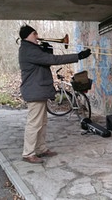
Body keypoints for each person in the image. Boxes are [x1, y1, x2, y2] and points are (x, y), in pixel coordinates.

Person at [18, 24, 91, 163]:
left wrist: (47, 50)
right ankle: (28, 153)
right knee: (34, 123)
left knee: (42, 122)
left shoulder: (32, 49)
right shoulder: (29, 50)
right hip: (35, 90)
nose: (37, 36)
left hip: (38, 90)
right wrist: (78, 56)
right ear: (28, 35)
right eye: (35, 34)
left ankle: (40, 148)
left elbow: (46, 61)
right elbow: (53, 60)